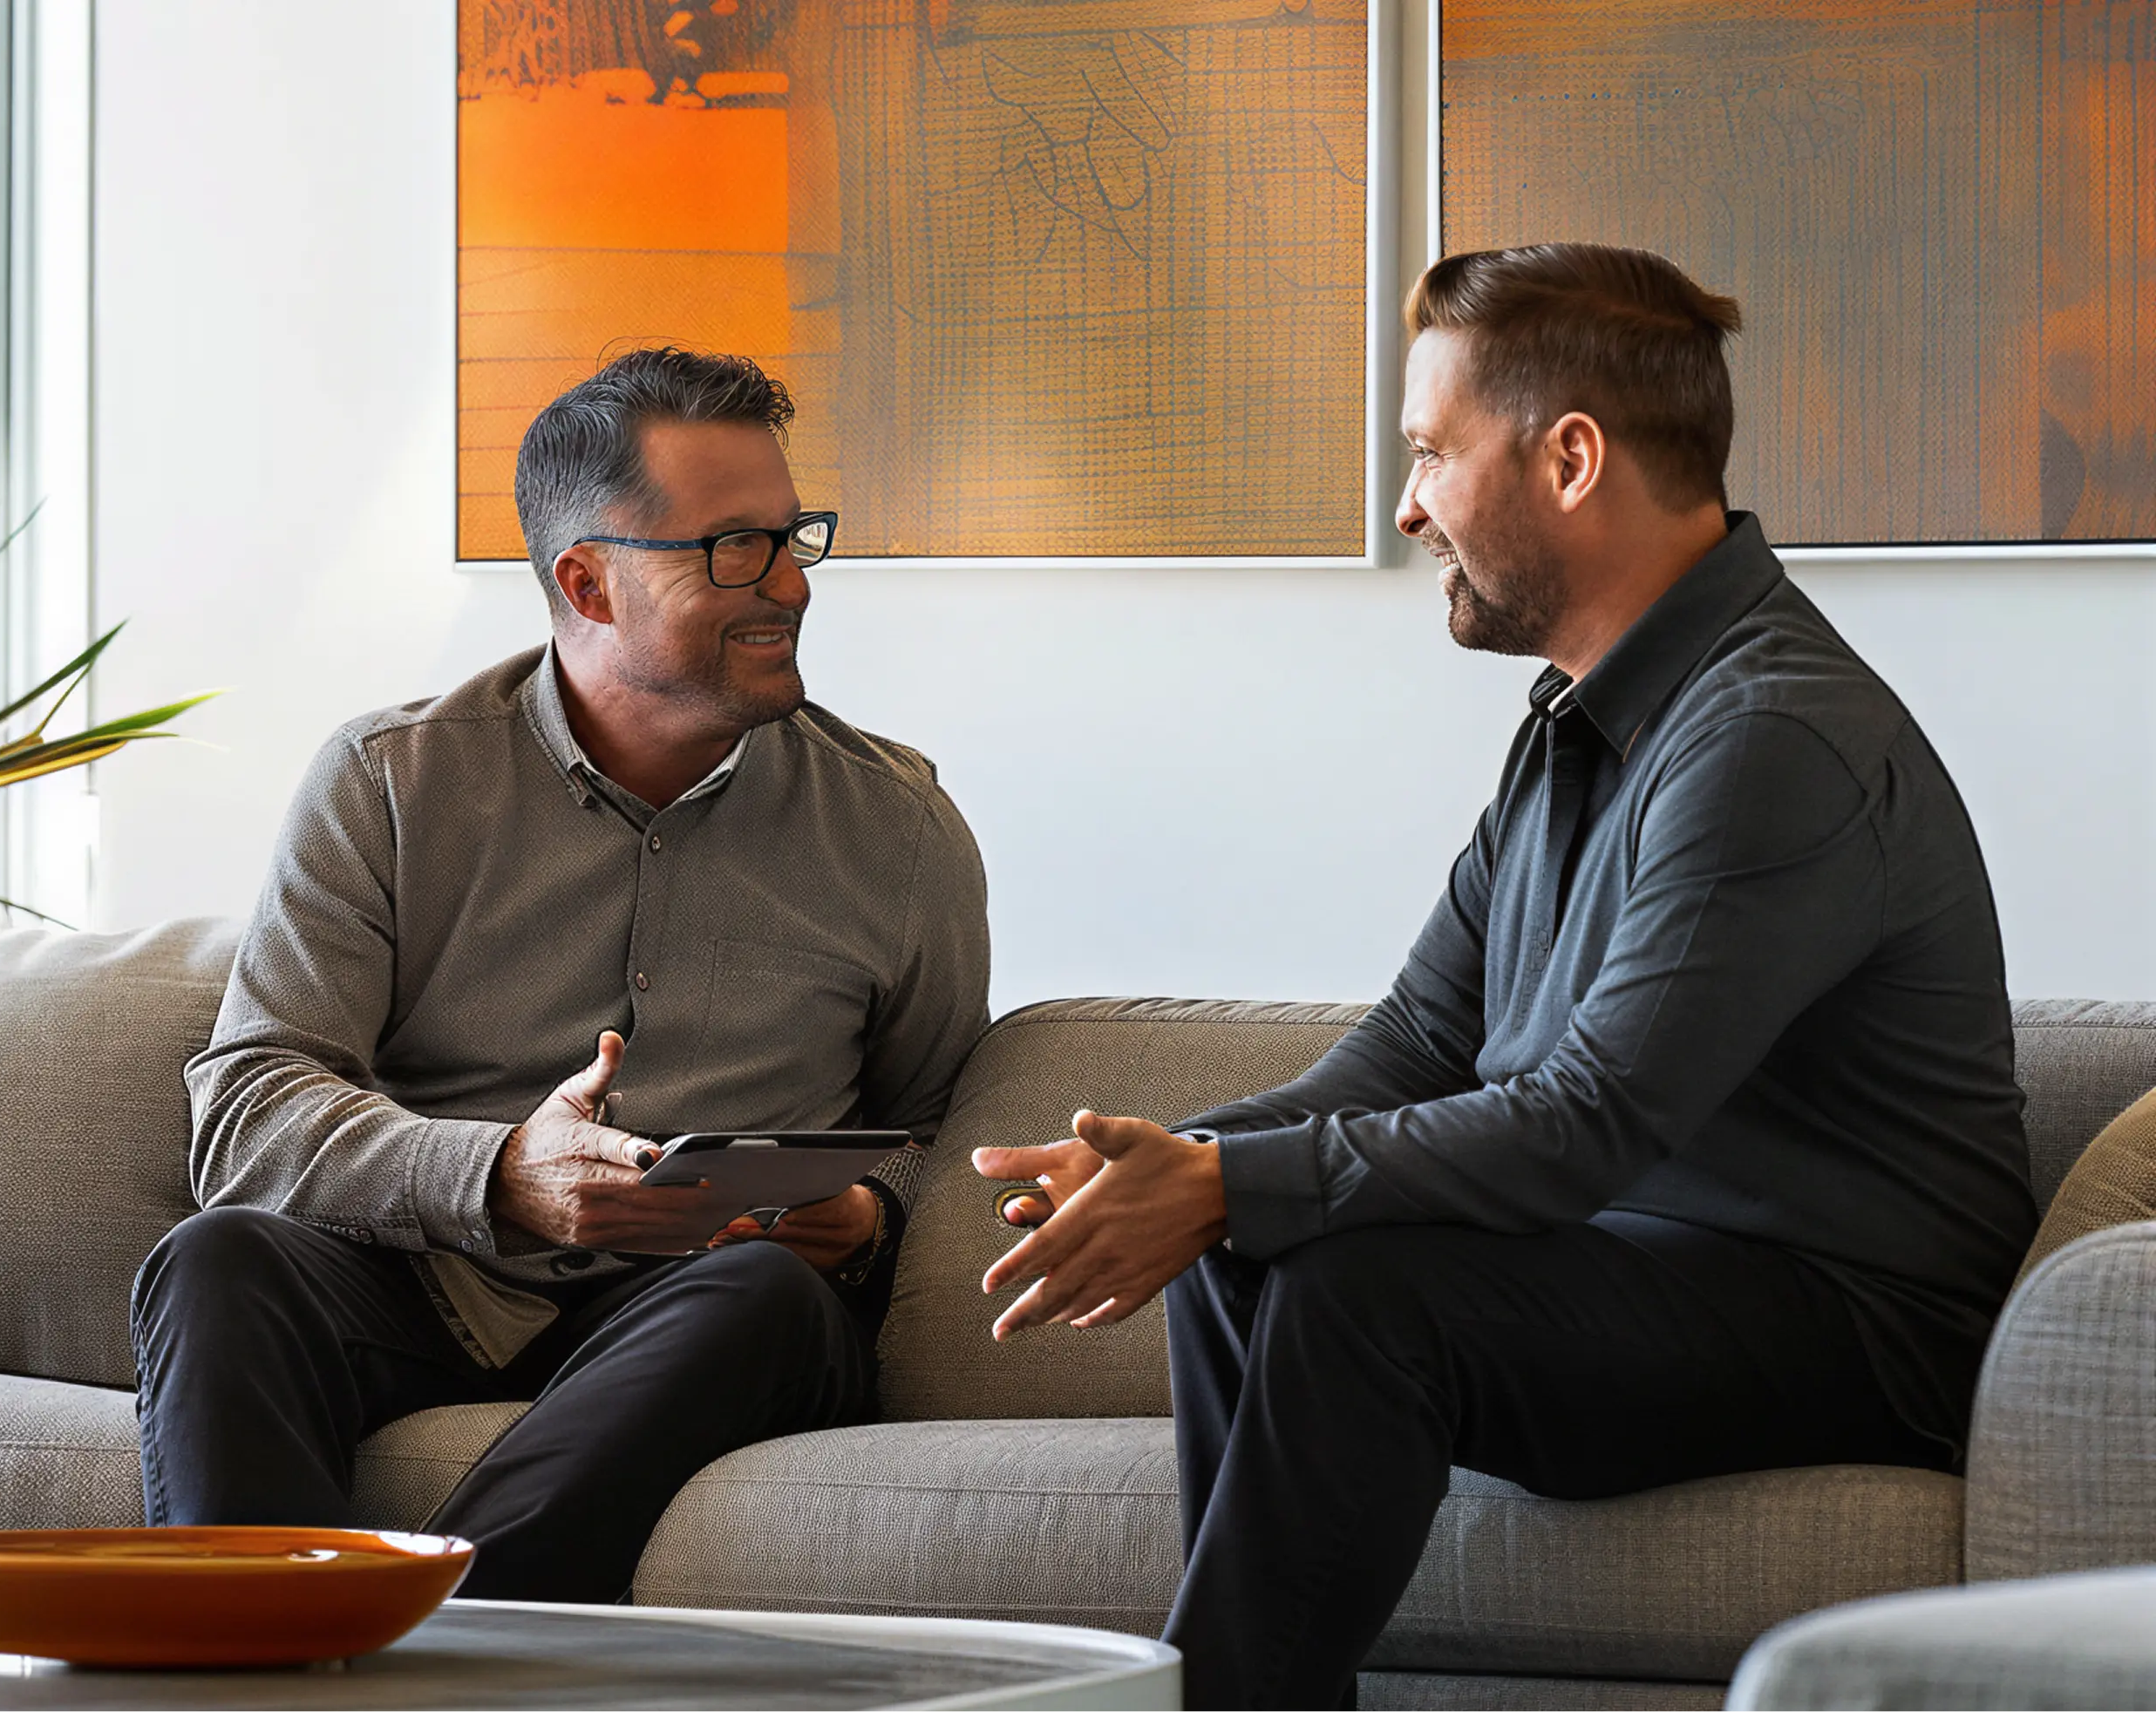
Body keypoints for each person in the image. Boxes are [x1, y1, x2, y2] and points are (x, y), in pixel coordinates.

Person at [975, 244, 2037, 1711]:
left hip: (1858, 1322)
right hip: (1662, 1270)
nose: (1406, 506)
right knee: (1242, 1244)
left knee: (1354, 1291)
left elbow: (1583, 1124)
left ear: (1572, 459)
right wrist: (1186, 1165)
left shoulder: (1771, 739)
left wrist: (1227, 1182)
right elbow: (1418, 1040)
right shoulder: (1578, 722)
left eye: (1428, 454)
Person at [131, 347, 992, 1602]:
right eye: (736, 549)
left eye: (795, 537)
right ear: (586, 582)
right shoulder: (390, 780)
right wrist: (501, 1178)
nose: (794, 585)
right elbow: (253, 1107)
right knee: (221, 1262)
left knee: (762, 1300)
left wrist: (863, 1216)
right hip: (420, 1278)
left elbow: (929, 1131)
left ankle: (412, 1659)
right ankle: (249, 1662)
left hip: (702, 1308)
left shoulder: (900, 827)